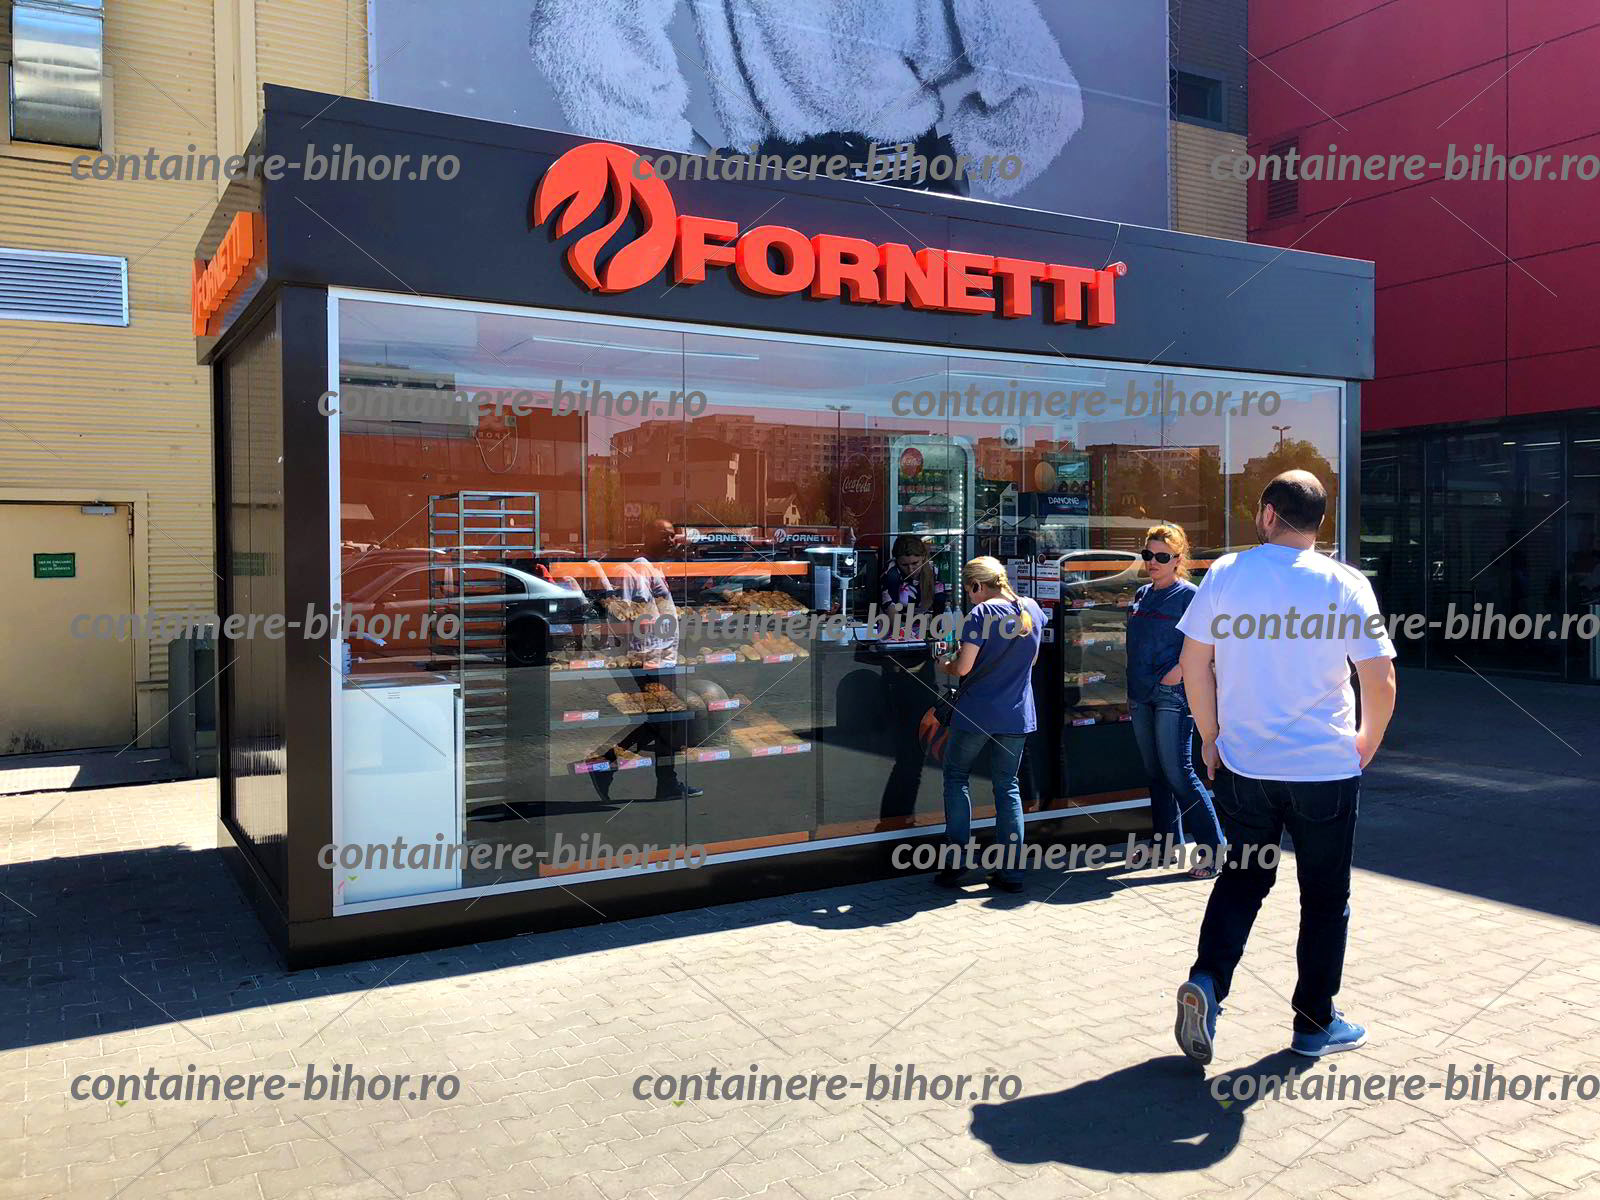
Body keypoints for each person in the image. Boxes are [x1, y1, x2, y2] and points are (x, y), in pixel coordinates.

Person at [1172, 471, 1397, 1063]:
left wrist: (1210, 736)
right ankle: (1314, 1024)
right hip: (1325, 769)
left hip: (1246, 765)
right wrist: (1366, 744)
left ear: (1269, 514)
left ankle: (1208, 983)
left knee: (1243, 879)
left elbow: (1194, 665)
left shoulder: (1226, 573)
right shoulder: (1346, 582)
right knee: (1324, 898)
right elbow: (1380, 677)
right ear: (1319, 522)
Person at [934, 557, 1044, 893]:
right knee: (1008, 787)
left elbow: (963, 668)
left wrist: (944, 661)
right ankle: (1012, 872)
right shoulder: (1032, 608)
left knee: (956, 777)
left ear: (978, 585)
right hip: (1016, 714)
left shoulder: (982, 613)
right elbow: (1032, 660)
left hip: (976, 713)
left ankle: (956, 861)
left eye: (969, 590)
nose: (970, 598)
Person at [1126, 523, 1225, 878]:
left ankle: (1213, 852)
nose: (1153, 562)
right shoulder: (1142, 594)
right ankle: (1166, 846)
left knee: (1179, 773)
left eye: (1162, 556)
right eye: (1148, 554)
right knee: (1156, 775)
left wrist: (1180, 670)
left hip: (1172, 695)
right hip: (1140, 693)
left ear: (1178, 559)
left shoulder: (1190, 596)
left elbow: (1212, 643)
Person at [877, 535, 948, 825]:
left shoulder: (934, 572)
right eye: (905, 564)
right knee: (909, 749)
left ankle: (903, 815)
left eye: (916, 563)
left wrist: (927, 625)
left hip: (923, 658)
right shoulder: (890, 575)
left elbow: (941, 611)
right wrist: (922, 622)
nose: (910, 570)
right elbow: (893, 618)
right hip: (898, 661)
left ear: (924, 559)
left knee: (916, 746)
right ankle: (898, 817)